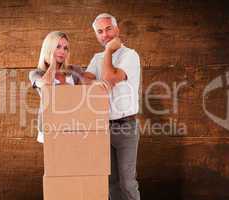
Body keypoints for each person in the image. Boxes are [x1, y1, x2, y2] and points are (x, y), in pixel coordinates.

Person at [83, 13, 141, 200]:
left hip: (126, 127)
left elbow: (109, 78)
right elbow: (85, 82)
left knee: (127, 183)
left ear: (117, 29)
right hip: (102, 127)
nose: (105, 34)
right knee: (111, 183)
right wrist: (96, 83)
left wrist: (108, 51)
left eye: (108, 29)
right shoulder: (96, 57)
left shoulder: (130, 55)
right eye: (100, 32)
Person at [29, 31, 80, 143]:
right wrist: (53, 64)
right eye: (58, 47)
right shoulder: (36, 74)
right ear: (49, 48)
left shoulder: (74, 70)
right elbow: (46, 85)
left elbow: (86, 89)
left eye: (65, 48)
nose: (62, 51)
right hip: (50, 127)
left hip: (73, 126)